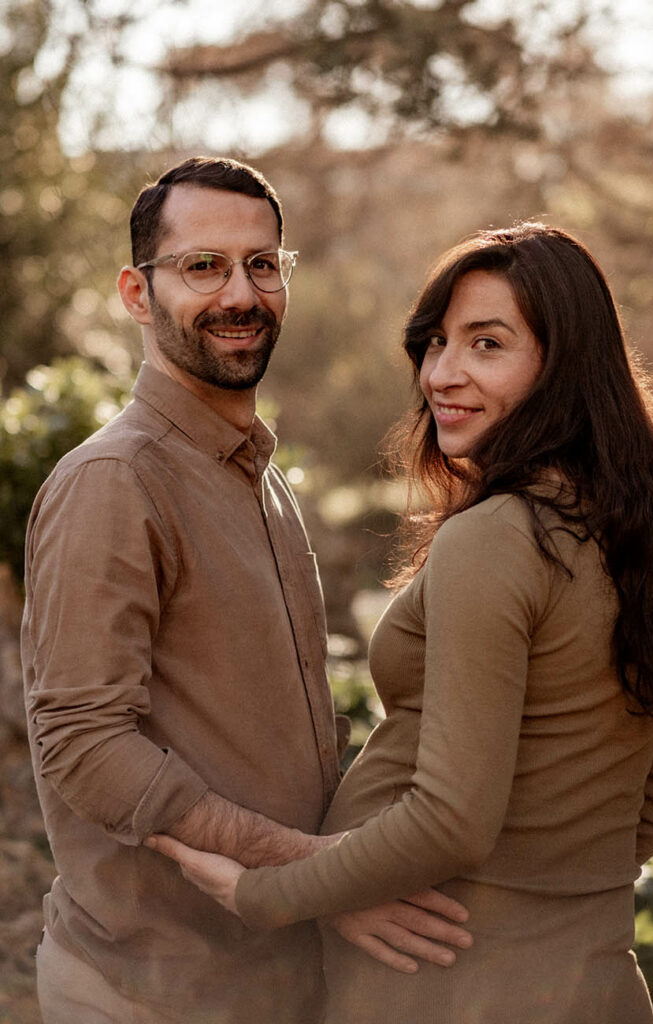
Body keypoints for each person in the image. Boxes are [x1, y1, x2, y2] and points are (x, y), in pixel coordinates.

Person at [148, 223, 653, 1023]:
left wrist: (267, 893)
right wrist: (552, 894)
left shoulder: (498, 538)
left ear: (565, 366)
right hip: (585, 980)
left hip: (448, 984)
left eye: (487, 344)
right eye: (435, 343)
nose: (442, 374)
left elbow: (451, 820)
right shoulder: (648, 536)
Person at [21, 156, 472, 1024]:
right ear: (135, 291)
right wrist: (308, 873)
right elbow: (83, 746)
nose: (241, 293)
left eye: (262, 264)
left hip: (272, 983)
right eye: (203, 266)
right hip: (153, 996)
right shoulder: (115, 482)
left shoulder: (257, 475)